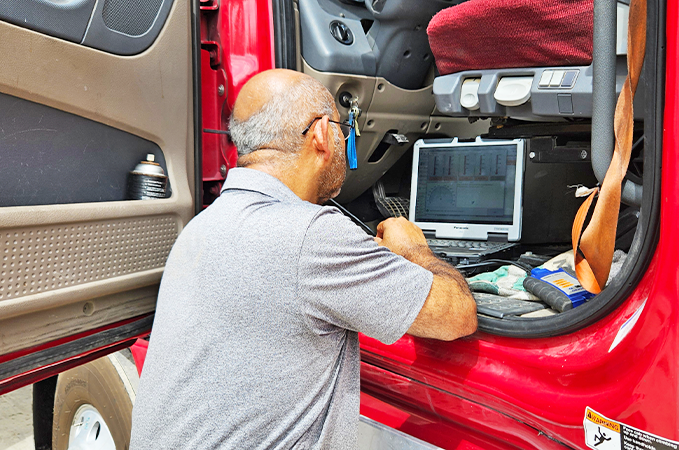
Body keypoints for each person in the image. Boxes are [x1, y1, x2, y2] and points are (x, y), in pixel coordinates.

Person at [130, 69, 476, 450]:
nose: (345, 140)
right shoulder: (312, 236)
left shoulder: (202, 226)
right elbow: (456, 316)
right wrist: (413, 251)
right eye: (345, 130)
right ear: (322, 134)